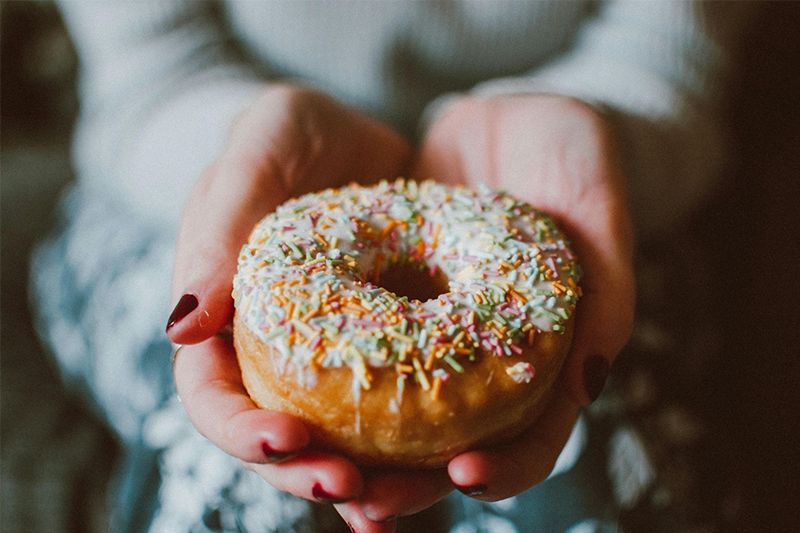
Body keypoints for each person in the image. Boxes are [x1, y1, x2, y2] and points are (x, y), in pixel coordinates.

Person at [32, 1, 753, 532]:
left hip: (576, 198)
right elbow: (150, 74)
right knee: (225, 478)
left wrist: (591, 129)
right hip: (199, 181)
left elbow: (668, 50)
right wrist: (241, 155)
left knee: (608, 464)